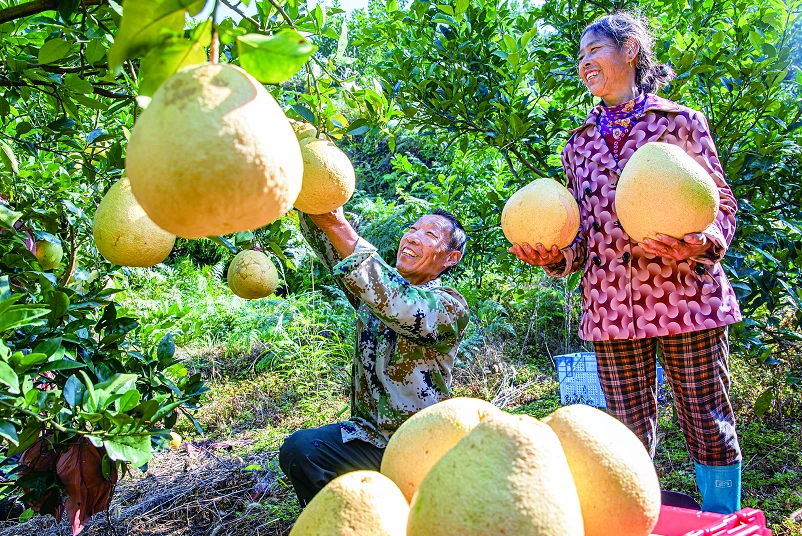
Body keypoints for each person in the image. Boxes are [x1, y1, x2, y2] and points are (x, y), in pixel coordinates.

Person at [510, 12, 743, 514]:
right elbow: (581, 236)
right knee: (624, 433)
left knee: (708, 419)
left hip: (687, 298)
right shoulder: (577, 145)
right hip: (611, 308)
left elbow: (722, 203)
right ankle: (640, 520)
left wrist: (702, 241)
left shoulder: (680, 123)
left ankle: (726, 520)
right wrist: (555, 255)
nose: (584, 63)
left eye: (593, 50)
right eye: (579, 57)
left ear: (631, 49)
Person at [279, 206, 470, 506]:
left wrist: (338, 224)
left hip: (421, 447)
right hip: (370, 439)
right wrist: (313, 201)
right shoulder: (377, 291)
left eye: (430, 234)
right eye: (412, 229)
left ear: (450, 258)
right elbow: (334, 248)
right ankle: (346, 519)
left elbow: (399, 303)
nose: (413, 238)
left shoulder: (450, 306)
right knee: (301, 451)